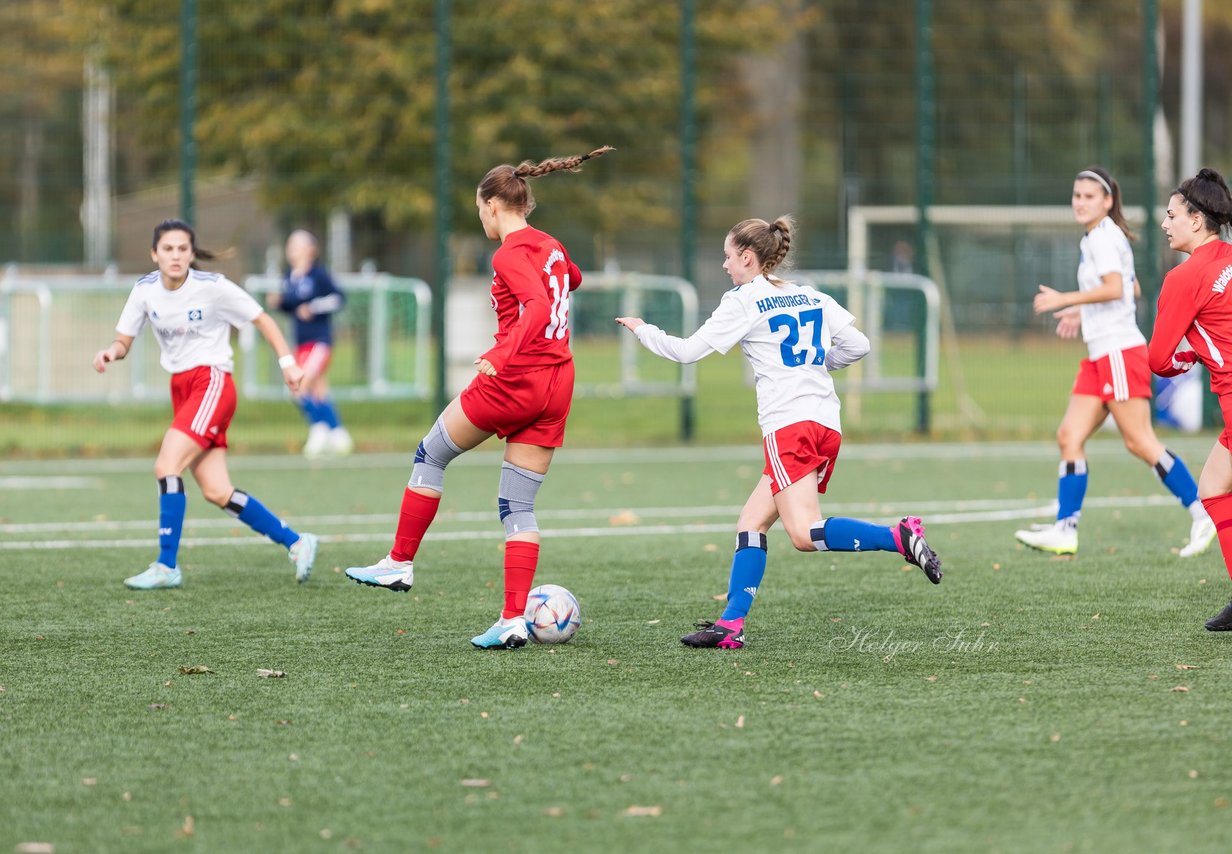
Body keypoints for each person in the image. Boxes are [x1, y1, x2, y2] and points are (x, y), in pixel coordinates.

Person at [616, 215, 942, 650]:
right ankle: (731, 623)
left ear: (748, 258)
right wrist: (818, 364)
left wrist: (643, 330)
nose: (725, 266)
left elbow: (687, 351)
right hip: (825, 423)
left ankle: (897, 537)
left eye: (728, 257)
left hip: (788, 425)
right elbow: (858, 346)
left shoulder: (743, 300)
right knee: (751, 522)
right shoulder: (810, 295)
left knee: (805, 534)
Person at [344, 146, 613, 649]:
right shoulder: (550, 245)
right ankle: (513, 619)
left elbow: (534, 303)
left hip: (516, 378)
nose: (481, 217)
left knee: (431, 452)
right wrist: (551, 283)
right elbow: (570, 279)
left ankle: (399, 563)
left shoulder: (509, 252)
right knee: (517, 505)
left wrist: (504, 351)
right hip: (558, 382)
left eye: (478, 208)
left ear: (492, 205)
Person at [92, 219, 319, 589]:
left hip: (211, 381)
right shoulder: (145, 290)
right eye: (168, 249)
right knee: (216, 491)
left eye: (183, 249)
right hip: (182, 388)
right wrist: (110, 353)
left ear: (192, 253)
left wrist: (288, 362)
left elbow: (261, 319)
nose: (176, 255)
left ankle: (167, 566)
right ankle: (297, 542)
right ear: (155, 254)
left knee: (167, 465)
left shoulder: (212, 288)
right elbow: (123, 341)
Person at [1015, 166, 1215, 559]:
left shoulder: (1103, 236)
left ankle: (1201, 511)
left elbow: (1115, 287)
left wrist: (1066, 301)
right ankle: (1065, 530)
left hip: (1120, 352)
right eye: (1076, 196)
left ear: (1107, 201)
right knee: (1069, 437)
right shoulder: (1099, 237)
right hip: (1099, 354)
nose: (1081, 202)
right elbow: (1131, 287)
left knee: (1140, 442)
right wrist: (1084, 315)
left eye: (1089, 196)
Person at [1148, 167, 1232, 630]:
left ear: (1196, 220)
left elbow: (1160, 359)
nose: (1165, 223)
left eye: (1171, 214)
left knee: (1215, 490)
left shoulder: (1184, 279)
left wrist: (1189, 358)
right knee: (1212, 488)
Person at [270, 229, 352, 458]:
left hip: (319, 342)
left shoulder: (319, 275)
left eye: (296, 246)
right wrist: (279, 303)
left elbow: (338, 298)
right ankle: (338, 433)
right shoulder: (289, 276)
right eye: (289, 246)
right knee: (318, 390)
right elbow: (292, 306)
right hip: (301, 342)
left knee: (298, 385)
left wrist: (313, 307)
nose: (291, 251)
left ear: (311, 250)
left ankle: (319, 429)